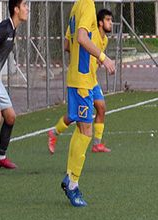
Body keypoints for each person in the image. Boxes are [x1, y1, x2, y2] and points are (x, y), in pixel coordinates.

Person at [62, 0, 116, 207]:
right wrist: (103, 58)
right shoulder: (87, 6)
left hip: (76, 78)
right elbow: (82, 38)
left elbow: (68, 44)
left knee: (81, 129)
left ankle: (69, 177)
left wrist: (83, 54)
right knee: (86, 131)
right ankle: (73, 184)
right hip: (83, 80)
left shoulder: (76, 6)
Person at [48, 9, 114, 154]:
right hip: (81, 79)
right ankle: (54, 132)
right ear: (100, 22)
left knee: (101, 108)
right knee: (75, 116)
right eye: (108, 20)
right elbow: (69, 45)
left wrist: (97, 60)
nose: (111, 23)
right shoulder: (89, 32)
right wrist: (81, 56)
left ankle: (97, 144)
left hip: (92, 79)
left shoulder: (105, 39)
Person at [0, 0, 29, 175]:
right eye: (24, 5)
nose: (27, 9)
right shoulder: (3, 29)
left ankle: (0, 158)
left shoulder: (13, 29)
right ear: (16, 9)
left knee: (10, 117)